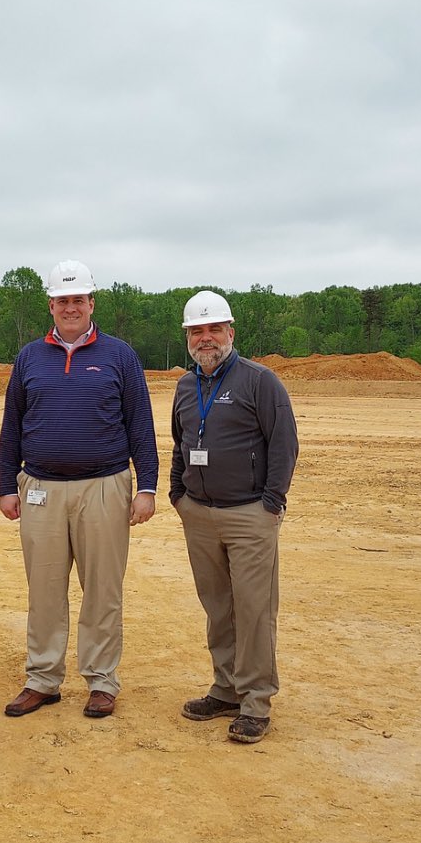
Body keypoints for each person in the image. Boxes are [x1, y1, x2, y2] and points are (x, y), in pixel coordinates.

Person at [0, 260, 158, 719]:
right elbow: (12, 426)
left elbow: (140, 423)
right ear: (51, 304)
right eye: (62, 300)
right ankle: (43, 679)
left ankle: (101, 680)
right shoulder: (29, 357)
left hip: (105, 486)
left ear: (92, 302)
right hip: (41, 488)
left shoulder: (120, 355)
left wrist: (145, 486)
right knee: (44, 590)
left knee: (102, 590)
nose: (71, 307)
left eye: (78, 300)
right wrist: (8, 486)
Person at [169, 290, 299, 743]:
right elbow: (180, 443)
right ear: (187, 337)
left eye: (213, 329)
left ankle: (256, 701)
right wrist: (177, 493)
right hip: (199, 515)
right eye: (196, 331)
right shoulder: (187, 387)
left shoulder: (260, 381)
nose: (205, 339)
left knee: (254, 608)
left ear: (230, 332)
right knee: (218, 607)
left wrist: (272, 502)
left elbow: (284, 444)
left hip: (249, 515)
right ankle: (225, 688)